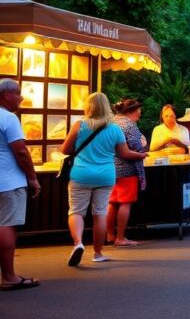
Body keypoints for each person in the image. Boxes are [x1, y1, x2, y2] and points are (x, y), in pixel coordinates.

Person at [61, 92, 146, 266]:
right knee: (100, 213)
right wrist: (142, 154)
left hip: (81, 173)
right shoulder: (114, 128)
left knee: (76, 211)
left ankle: (78, 243)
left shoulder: (79, 125)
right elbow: (123, 153)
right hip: (106, 174)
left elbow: (65, 149)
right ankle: (98, 253)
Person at [0, 79, 40, 290]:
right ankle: (9, 276)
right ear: (6, 95)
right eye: (17, 93)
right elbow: (21, 151)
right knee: (6, 225)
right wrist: (32, 177)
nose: (21, 97)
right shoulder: (8, 118)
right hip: (8, 181)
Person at [107, 98, 147, 247]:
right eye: (138, 112)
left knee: (112, 202)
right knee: (125, 203)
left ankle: (110, 235)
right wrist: (143, 150)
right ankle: (120, 237)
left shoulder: (110, 122)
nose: (139, 115)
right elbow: (138, 147)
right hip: (127, 169)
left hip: (110, 168)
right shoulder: (130, 125)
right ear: (131, 111)